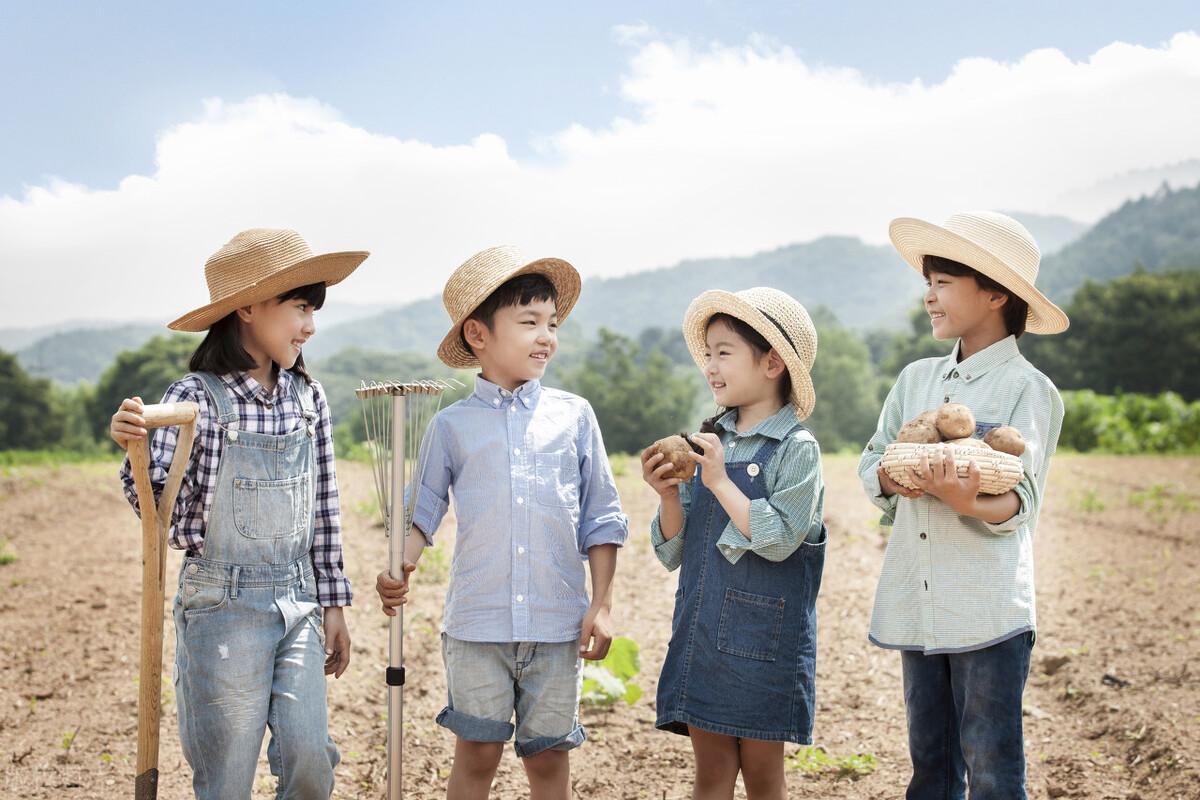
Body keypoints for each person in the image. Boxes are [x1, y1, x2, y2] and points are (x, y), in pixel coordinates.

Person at [110, 228, 366, 799]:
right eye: (300, 307)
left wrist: (335, 603)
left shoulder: (310, 398)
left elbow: (325, 508)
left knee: (308, 758)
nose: (310, 325)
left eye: (312, 310)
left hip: (298, 598)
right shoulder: (196, 400)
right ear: (248, 308)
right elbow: (159, 514)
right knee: (226, 774)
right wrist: (133, 442)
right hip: (221, 605)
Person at [375, 245, 628, 800]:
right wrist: (402, 566)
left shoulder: (574, 416)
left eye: (552, 324)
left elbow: (601, 517)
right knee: (477, 755)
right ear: (478, 334)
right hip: (477, 625)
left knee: (548, 763)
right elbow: (423, 513)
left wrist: (601, 604)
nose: (547, 337)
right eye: (529, 322)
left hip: (557, 624)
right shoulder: (451, 426)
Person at [859, 211, 1070, 799]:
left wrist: (966, 500)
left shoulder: (1030, 390)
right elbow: (871, 459)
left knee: (993, 770)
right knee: (930, 767)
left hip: (987, 612)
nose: (928, 298)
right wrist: (891, 478)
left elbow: (1021, 502)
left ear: (996, 292)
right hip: (918, 601)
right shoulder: (915, 381)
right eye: (927, 284)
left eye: (942, 284)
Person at [642, 287, 826, 800]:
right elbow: (671, 552)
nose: (710, 366)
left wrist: (720, 481)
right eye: (708, 354)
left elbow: (781, 540)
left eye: (724, 352)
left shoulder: (797, 449)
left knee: (764, 778)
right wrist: (669, 497)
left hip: (765, 643)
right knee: (711, 774)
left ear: (772, 363)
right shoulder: (706, 443)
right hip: (703, 631)